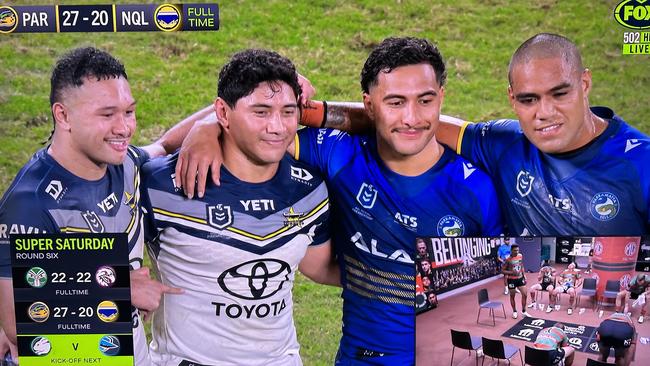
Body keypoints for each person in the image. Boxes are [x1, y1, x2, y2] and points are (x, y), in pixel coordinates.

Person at [171, 37, 503, 365]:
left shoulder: (476, 191)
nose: (411, 118)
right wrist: (209, 125)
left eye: (425, 100)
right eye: (395, 102)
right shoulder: (337, 153)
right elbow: (257, 133)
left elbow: (496, 290)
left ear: (442, 98)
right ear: (369, 105)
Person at [295, 32, 650, 236]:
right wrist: (303, 111)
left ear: (585, 83)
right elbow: (407, 124)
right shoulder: (504, 144)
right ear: (512, 98)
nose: (544, 113)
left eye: (559, 94)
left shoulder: (641, 163)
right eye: (529, 99)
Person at [0, 47, 199, 364]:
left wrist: (213, 124)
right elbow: (17, 326)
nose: (124, 128)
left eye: (129, 112)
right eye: (107, 115)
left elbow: (163, 144)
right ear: (63, 115)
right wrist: (119, 289)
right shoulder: (31, 204)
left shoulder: (125, 163)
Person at [141, 49, 337, 365]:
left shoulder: (310, 189)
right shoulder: (162, 185)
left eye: (288, 112)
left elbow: (318, 266)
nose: (278, 127)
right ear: (222, 111)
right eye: (261, 112)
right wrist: (120, 286)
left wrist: (398, 275)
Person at [502, 244, 530, 318]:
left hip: (520, 278)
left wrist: (524, 276)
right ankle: (514, 311)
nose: (516, 252)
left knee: (525, 294)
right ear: (511, 250)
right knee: (512, 296)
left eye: (517, 250)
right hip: (511, 280)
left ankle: (524, 311)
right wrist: (511, 272)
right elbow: (502, 270)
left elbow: (521, 265)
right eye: (515, 250)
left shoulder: (520, 256)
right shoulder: (508, 259)